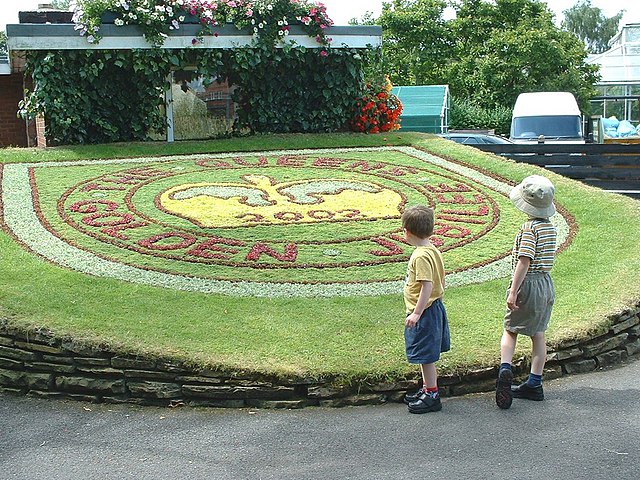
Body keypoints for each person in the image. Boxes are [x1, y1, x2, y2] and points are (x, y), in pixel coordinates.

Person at [495, 175, 557, 410]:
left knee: (510, 330)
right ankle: (535, 383)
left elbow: (524, 261)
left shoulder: (529, 228)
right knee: (538, 333)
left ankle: (505, 369)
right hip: (545, 284)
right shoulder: (550, 228)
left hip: (528, 284)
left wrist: (513, 290)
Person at [401, 205, 450, 414]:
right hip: (433, 308)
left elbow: (427, 285)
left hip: (425, 311)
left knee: (426, 356)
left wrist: (417, 313)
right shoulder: (432, 249)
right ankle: (427, 388)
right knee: (424, 355)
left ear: (407, 231)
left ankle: (432, 395)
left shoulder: (420, 256)